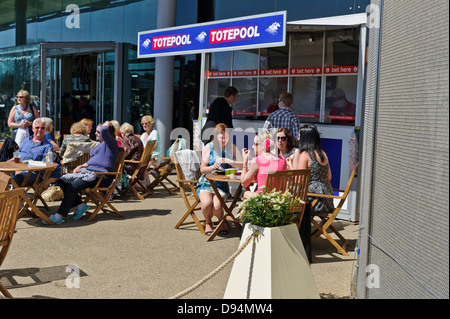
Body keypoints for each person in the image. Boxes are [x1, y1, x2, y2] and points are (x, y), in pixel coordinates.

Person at [45, 121, 119, 224]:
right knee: (62, 180)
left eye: (98, 131)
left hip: (102, 176)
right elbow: (94, 160)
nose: (96, 133)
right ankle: (80, 205)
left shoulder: (111, 144)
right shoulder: (100, 145)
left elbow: (104, 129)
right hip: (89, 172)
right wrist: (82, 165)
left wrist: (108, 122)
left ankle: (60, 215)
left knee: (72, 186)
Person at [196, 123, 242, 236]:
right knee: (207, 203)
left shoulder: (232, 147)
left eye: (226, 137)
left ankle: (221, 220)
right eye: (221, 137)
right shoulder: (209, 147)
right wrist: (213, 167)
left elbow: (242, 165)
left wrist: (227, 160)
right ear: (215, 136)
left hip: (221, 185)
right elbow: (202, 169)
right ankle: (208, 222)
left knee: (216, 206)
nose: (224, 140)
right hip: (206, 183)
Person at [295, 124, 334, 214]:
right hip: (327, 199)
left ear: (305, 138)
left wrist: (290, 165)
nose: (297, 139)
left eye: (299, 136)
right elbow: (329, 177)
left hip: (314, 200)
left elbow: (299, 181)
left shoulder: (305, 154)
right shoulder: (322, 152)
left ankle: (295, 225)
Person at [8, 118, 55, 187]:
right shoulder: (27, 140)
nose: (39, 130)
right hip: (17, 169)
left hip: (33, 174)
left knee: (17, 178)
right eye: (37, 127)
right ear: (33, 129)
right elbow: (17, 156)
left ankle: (15, 197)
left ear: (45, 130)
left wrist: (23, 169)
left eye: (42, 128)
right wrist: (5, 163)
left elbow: (45, 164)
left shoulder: (47, 146)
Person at [241, 131, 287, 198]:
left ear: (263, 146)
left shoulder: (257, 160)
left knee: (246, 193)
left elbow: (244, 183)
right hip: (278, 199)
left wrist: (245, 162)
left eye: (255, 144)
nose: (252, 146)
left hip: (264, 200)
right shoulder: (283, 159)